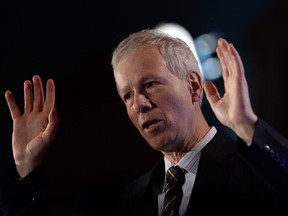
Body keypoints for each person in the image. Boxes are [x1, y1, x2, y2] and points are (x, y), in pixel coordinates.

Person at [0, 29, 287, 216]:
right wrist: (28, 168)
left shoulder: (255, 172)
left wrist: (247, 126)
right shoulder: (128, 201)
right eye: (127, 96)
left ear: (194, 86)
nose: (138, 104)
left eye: (149, 85)